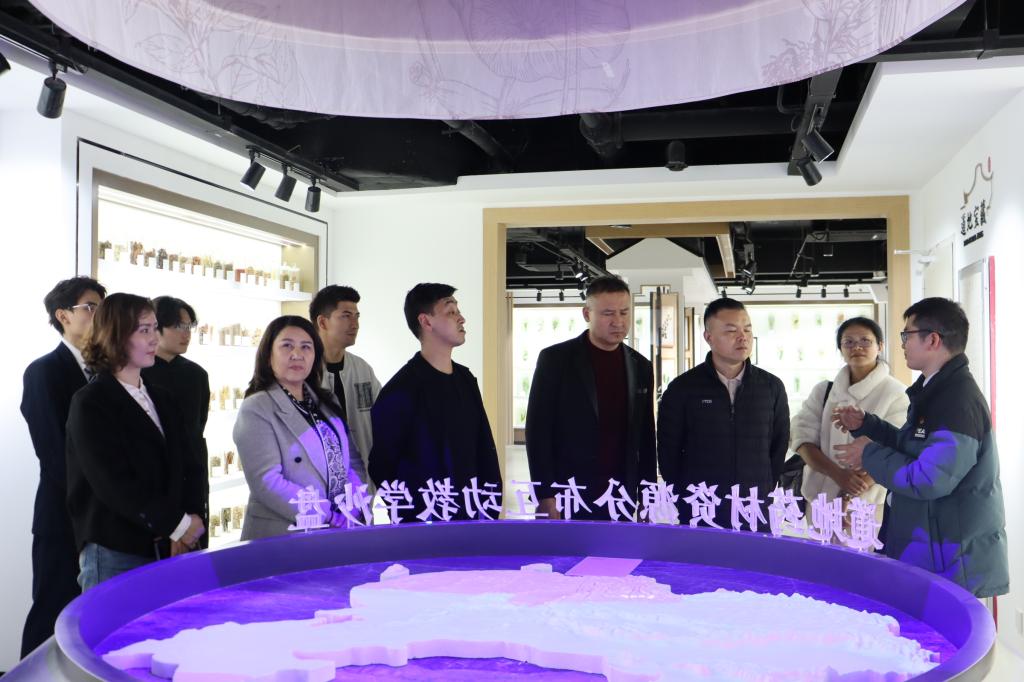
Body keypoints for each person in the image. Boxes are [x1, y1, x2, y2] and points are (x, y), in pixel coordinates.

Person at [834, 298, 1008, 597]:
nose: (903, 344)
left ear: (933, 340)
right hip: (932, 546)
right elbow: (914, 448)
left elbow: (930, 479)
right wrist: (868, 426)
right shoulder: (934, 390)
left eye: (907, 335)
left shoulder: (957, 400)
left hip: (950, 559)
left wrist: (868, 453)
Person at [66, 293, 206, 591]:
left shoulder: (162, 397)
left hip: (168, 544)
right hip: (117, 549)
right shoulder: (91, 402)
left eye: (155, 328)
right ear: (114, 334)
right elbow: (112, 483)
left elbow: (189, 462)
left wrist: (191, 520)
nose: (154, 338)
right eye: (144, 330)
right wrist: (178, 525)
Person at [19, 276, 105, 656]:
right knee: (51, 612)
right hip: (62, 515)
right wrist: (97, 499)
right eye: (91, 307)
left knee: (92, 618)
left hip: (101, 518)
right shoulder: (44, 371)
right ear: (63, 315)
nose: (99, 315)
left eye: (103, 307)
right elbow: (54, 454)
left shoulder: (107, 371)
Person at [526, 276, 656, 520]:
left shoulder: (640, 366)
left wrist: (648, 498)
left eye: (624, 312)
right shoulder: (555, 360)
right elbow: (538, 431)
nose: (618, 322)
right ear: (587, 314)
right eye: (608, 313)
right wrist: (545, 494)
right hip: (568, 491)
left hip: (620, 494)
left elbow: (646, 438)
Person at [369, 283, 501, 523]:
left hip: (471, 515)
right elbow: (382, 465)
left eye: (458, 311)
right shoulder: (401, 390)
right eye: (451, 311)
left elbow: (484, 447)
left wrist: (489, 507)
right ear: (426, 322)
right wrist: (410, 512)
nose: (461, 318)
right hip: (423, 521)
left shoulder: (466, 379)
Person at [658, 297, 789, 529]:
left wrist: (766, 488)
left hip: (754, 505)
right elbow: (668, 451)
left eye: (747, 329)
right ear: (708, 337)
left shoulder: (771, 387)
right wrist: (682, 496)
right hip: (701, 504)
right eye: (731, 331)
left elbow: (778, 446)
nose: (743, 337)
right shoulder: (683, 388)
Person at [234, 316, 368, 539]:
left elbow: (352, 462)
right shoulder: (257, 407)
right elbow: (267, 482)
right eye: (287, 346)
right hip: (285, 533)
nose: (297, 354)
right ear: (268, 354)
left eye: (306, 347)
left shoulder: (326, 401)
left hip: (339, 529)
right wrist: (327, 515)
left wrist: (352, 506)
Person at [790, 317, 909, 535]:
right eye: (849, 342)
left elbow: (896, 451)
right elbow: (802, 439)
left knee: (860, 555)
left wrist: (848, 493)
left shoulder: (896, 393)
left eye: (865, 341)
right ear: (840, 349)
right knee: (817, 555)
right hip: (820, 500)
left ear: (880, 346)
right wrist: (837, 474)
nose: (857, 347)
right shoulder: (824, 391)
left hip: (865, 505)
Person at [141, 296, 211, 547]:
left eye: (189, 326)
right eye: (178, 326)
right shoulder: (139, 373)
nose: (186, 333)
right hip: (154, 486)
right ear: (155, 327)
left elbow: (197, 426)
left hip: (192, 480)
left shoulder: (197, 375)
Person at [310, 285, 381, 487]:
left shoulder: (362, 369)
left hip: (361, 484)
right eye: (346, 316)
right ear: (322, 322)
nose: (355, 324)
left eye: (357, 316)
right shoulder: (304, 372)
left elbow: (383, 419)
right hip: (318, 486)